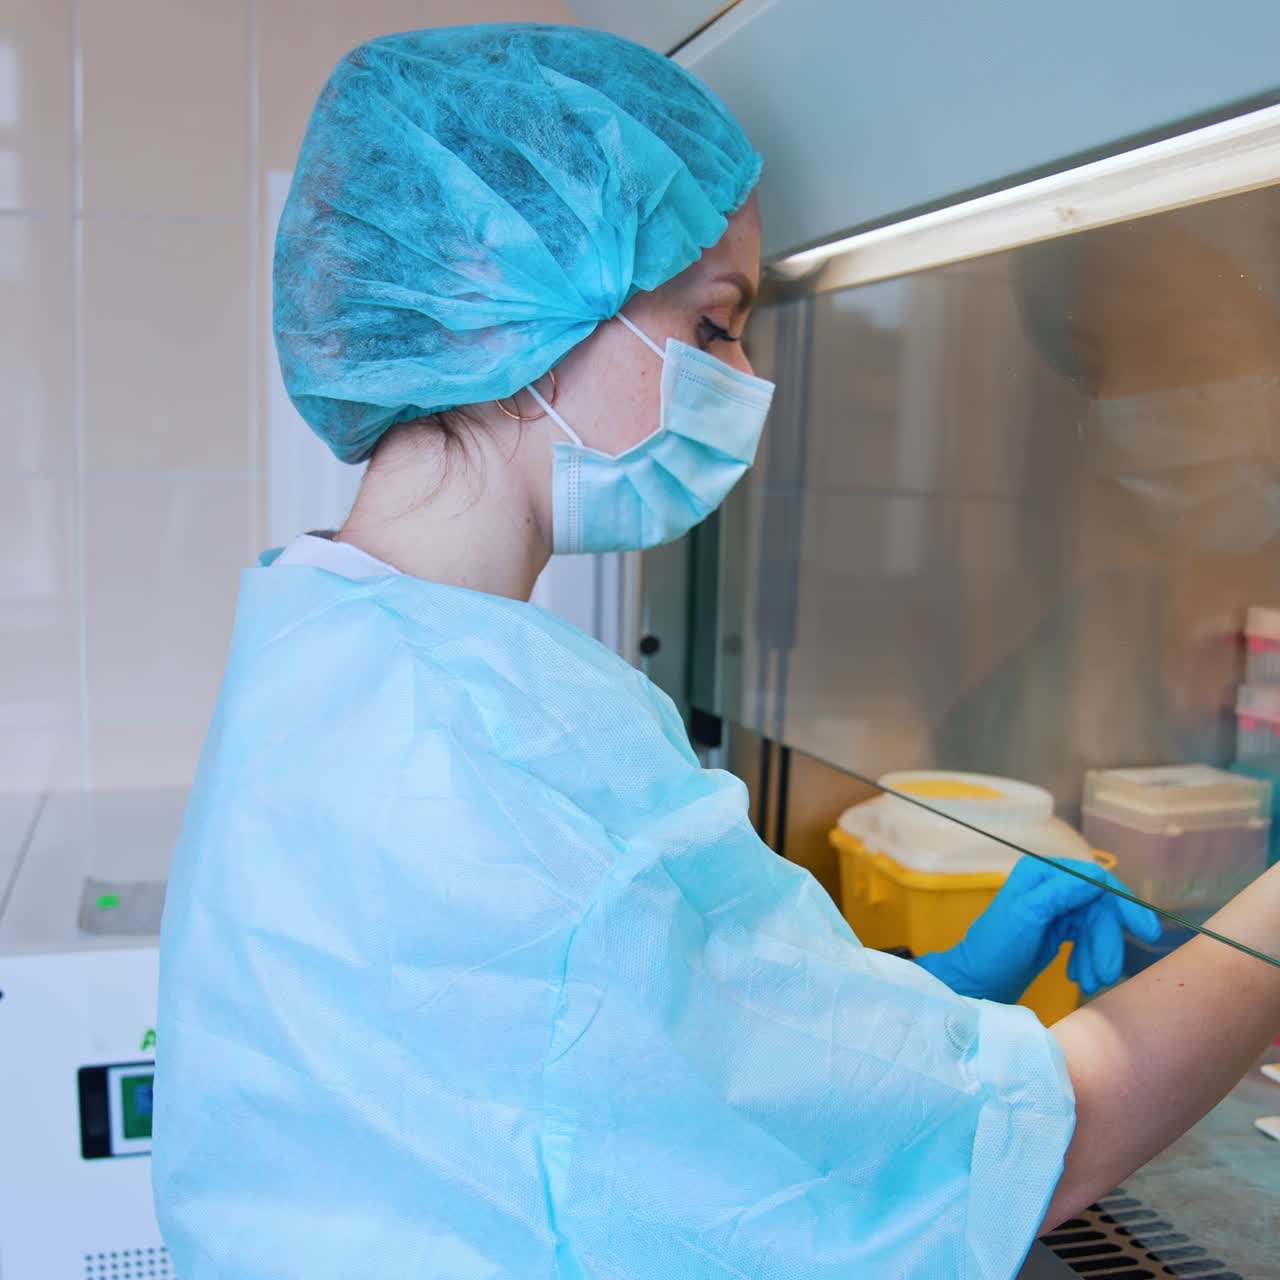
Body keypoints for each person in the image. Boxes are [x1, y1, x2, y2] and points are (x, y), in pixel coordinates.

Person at [151, 24, 1280, 1280]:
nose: (744, 377)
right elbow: (1030, 1151)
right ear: (517, 295)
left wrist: (930, 991)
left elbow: (609, 1063)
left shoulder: (334, 637)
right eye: (713, 326)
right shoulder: (506, 755)